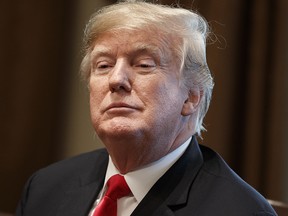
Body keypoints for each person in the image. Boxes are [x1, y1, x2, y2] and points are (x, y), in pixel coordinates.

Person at [16, 1, 276, 215]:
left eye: (143, 65)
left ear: (191, 98)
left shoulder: (240, 210)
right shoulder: (45, 187)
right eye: (103, 65)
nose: (116, 80)